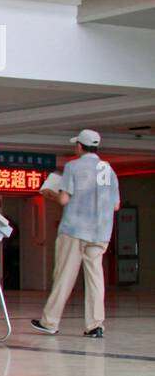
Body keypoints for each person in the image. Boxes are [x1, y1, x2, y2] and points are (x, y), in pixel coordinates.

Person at [32, 130, 121, 338]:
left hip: (75, 230)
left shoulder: (73, 166)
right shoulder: (109, 170)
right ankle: (95, 325)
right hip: (101, 232)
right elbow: (115, 205)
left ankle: (50, 322)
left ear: (80, 146)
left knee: (64, 275)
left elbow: (64, 200)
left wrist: (49, 194)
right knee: (95, 278)